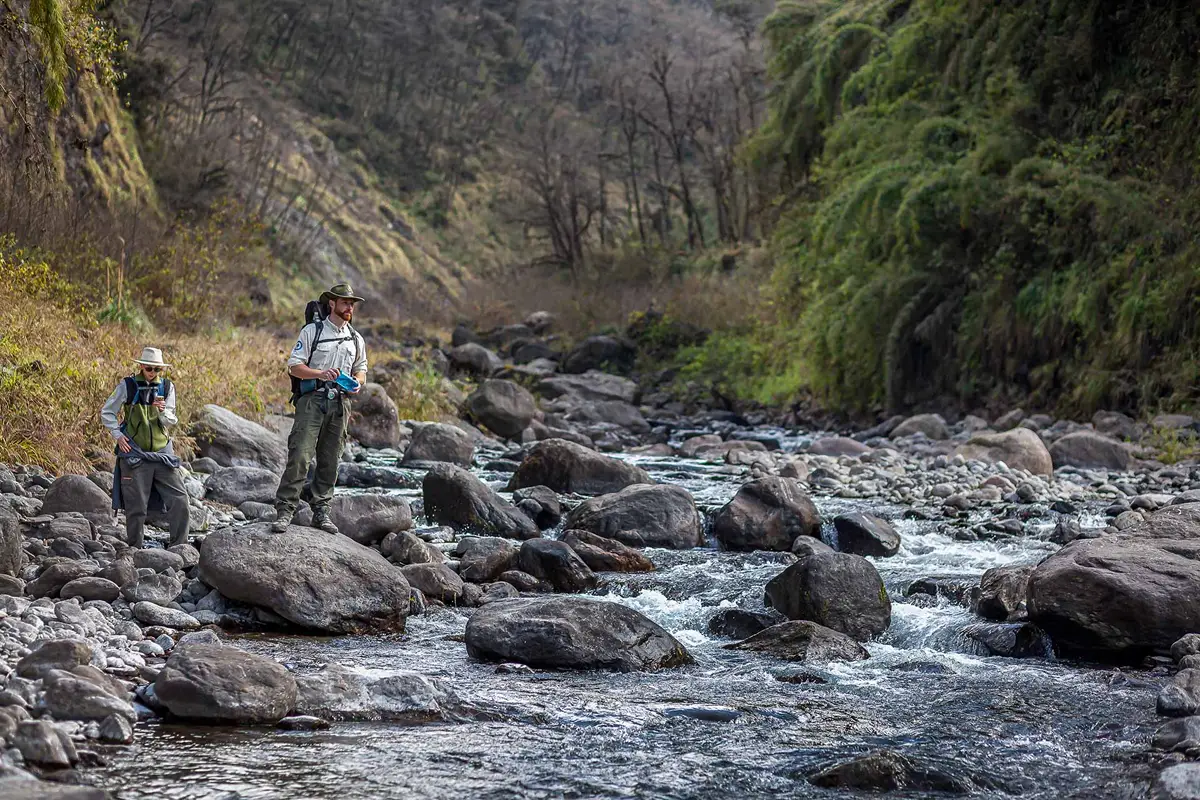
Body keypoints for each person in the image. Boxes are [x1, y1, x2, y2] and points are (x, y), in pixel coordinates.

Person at [273, 283, 368, 534]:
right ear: (332, 304)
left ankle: (321, 513)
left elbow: (362, 369)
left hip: (340, 404)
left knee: (330, 460)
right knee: (300, 456)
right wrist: (321, 374)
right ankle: (285, 511)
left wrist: (357, 383)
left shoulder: (356, 339)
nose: (350, 307)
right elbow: (294, 366)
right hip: (312, 401)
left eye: (352, 303)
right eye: (345, 302)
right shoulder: (312, 332)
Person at [100, 346, 191, 548]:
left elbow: (170, 420)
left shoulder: (167, 387)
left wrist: (162, 412)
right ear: (141, 366)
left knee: (180, 500)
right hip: (135, 454)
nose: (153, 373)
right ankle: (135, 549)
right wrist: (118, 435)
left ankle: (179, 548)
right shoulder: (128, 386)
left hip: (162, 453)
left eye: (157, 369)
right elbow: (107, 412)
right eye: (149, 368)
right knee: (136, 507)